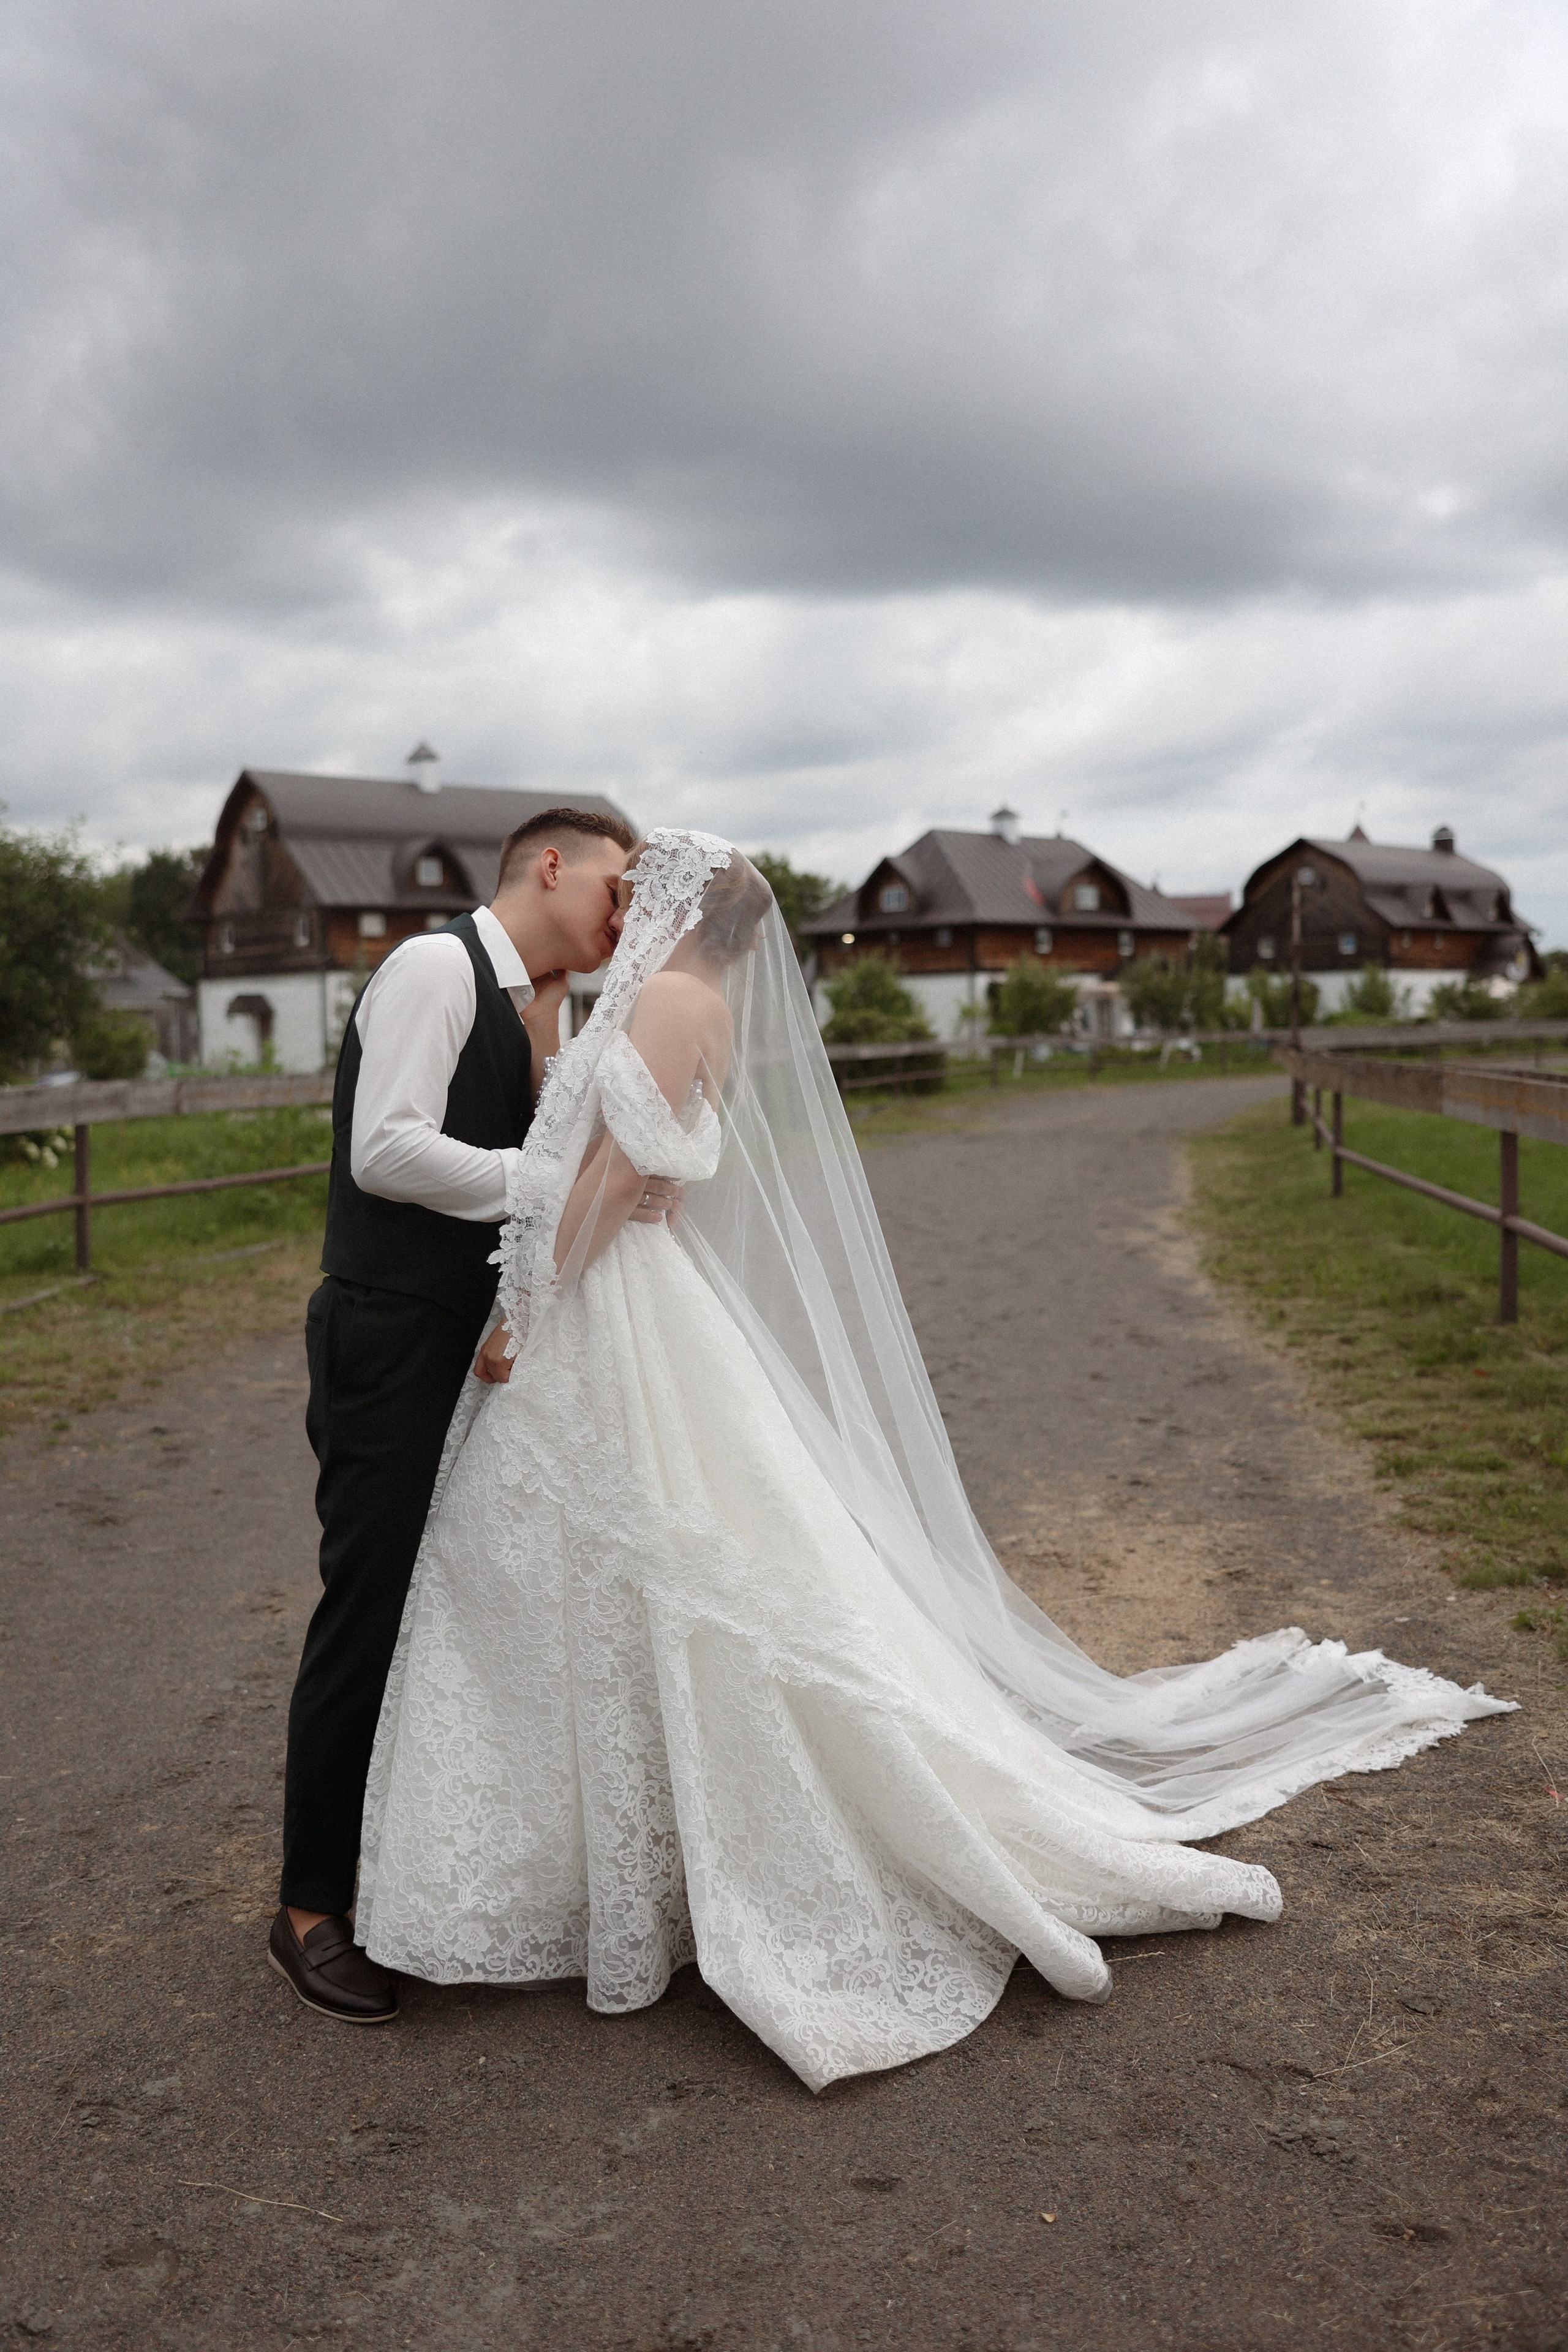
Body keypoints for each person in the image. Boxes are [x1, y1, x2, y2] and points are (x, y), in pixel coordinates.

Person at [353, 829, 1513, 2089]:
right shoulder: (656, 997)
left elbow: (623, 1166)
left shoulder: (677, 999)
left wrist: (527, 1309)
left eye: (642, 892)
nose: (622, 906)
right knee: (572, 1576)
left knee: (656, 1566)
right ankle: (609, 1860)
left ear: (684, 907)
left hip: (610, 1308)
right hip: (623, 1295)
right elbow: (622, 1150)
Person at [268, 804, 685, 2026]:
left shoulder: (541, 1002)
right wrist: (556, 1178)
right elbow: (386, 1152)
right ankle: (306, 1912)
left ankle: (406, 1875)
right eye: (615, 883)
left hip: (475, 1339)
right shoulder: (430, 967)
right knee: (372, 1601)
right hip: (392, 1336)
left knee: (455, 1608)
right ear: (549, 865)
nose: (626, 910)